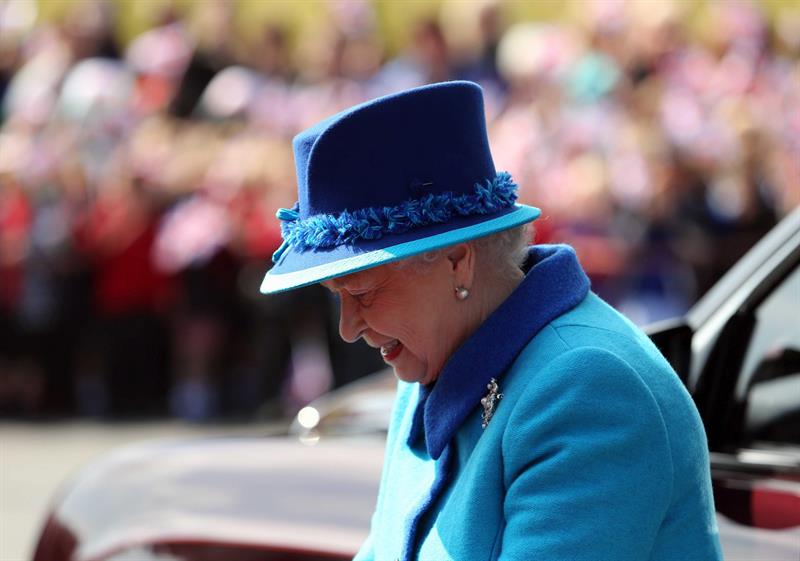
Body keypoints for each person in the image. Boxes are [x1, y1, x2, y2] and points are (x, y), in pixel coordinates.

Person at [260, 82, 722, 561]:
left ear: (458, 262)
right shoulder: (430, 361)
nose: (348, 327)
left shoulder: (588, 389)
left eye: (362, 292)